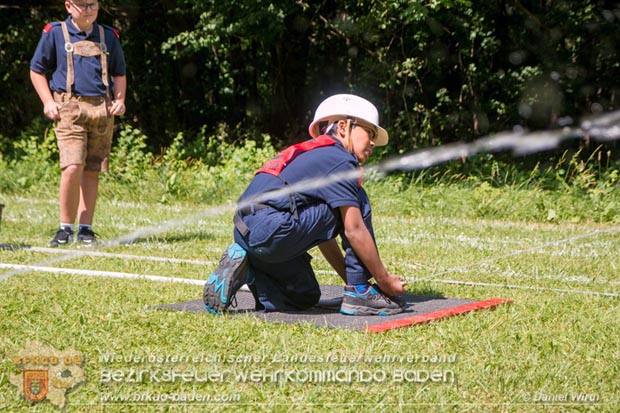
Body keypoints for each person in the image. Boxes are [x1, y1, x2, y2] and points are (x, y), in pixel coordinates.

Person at [204, 94, 407, 316]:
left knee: (303, 296)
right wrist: (383, 280)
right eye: (370, 133)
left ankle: (248, 267)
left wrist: (349, 280)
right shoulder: (340, 160)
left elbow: (323, 234)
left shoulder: (313, 154)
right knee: (359, 198)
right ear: (343, 127)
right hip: (274, 228)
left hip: (246, 232)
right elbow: (354, 229)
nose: (372, 143)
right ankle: (360, 292)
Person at [30, 1, 126, 247]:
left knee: (92, 169)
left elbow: (119, 72)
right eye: (82, 5)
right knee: (72, 166)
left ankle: (85, 229)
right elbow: (36, 70)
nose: (88, 9)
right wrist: (48, 102)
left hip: (101, 110)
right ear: (69, 6)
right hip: (69, 109)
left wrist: (120, 99)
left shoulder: (108, 35)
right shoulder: (55, 32)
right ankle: (64, 228)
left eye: (92, 4)